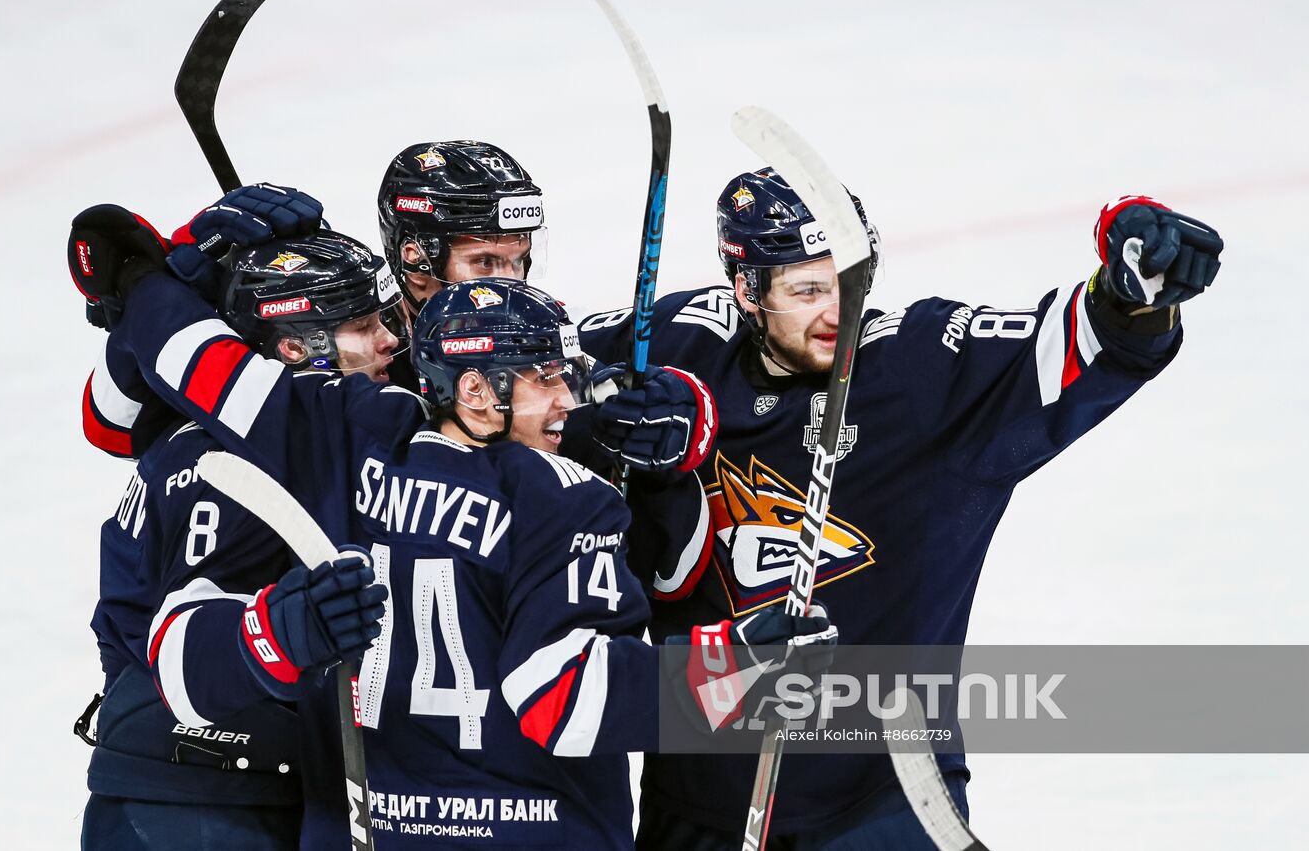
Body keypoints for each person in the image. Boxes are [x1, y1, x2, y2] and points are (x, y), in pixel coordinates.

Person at [86, 237, 835, 849]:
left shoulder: (346, 436)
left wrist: (141, 272)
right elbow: (564, 696)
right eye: (546, 377)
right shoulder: (565, 495)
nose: (567, 400)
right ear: (475, 391)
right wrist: (735, 676)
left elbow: (205, 366)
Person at [573, 170, 1225, 848]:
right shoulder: (679, 346)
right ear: (747, 291)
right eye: (807, 290)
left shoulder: (921, 366)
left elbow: (1086, 343)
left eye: (851, 281)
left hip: (882, 799)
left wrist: (1133, 295)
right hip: (698, 801)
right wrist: (609, 414)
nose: (839, 311)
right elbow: (522, 373)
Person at [71, 187, 405, 850]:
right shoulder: (256, 448)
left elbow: (115, 412)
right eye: (363, 325)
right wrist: (278, 633)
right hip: (192, 796)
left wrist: (157, 278)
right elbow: (182, 649)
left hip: (228, 785)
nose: (391, 341)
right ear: (294, 347)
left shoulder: (224, 421)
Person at [376, 140, 549, 322]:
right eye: (485, 263)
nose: (512, 284)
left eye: (518, 260)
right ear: (416, 265)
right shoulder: (371, 348)